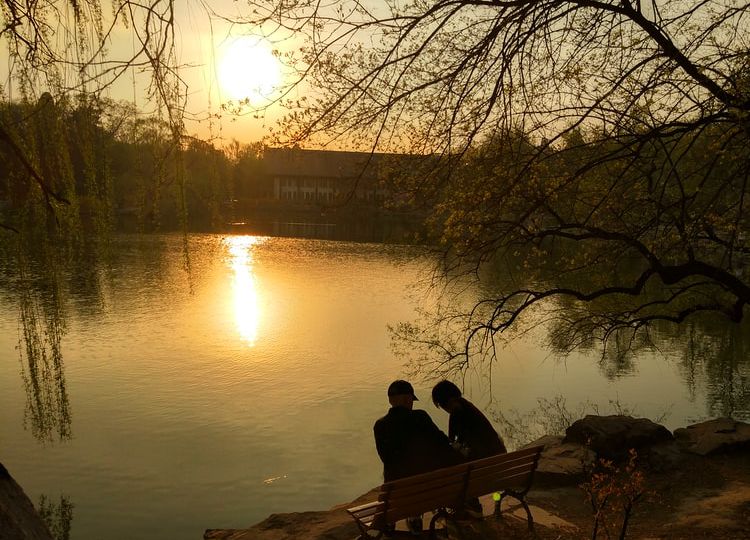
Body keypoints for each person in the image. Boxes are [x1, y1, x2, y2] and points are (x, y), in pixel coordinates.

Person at [373, 379, 463, 535]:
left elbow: (386, 458)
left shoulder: (380, 425)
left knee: (399, 473)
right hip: (432, 490)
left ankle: (412, 519)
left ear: (390, 400)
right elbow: (443, 443)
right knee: (421, 472)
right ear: (407, 399)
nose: (412, 403)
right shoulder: (421, 417)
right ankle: (417, 516)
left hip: (398, 494)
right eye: (411, 400)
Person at [431, 380, 507, 460]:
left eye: (440, 404)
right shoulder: (468, 407)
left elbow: (452, 441)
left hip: (485, 462)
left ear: (445, 402)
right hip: (500, 457)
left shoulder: (457, 411)